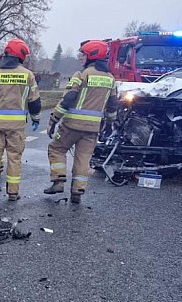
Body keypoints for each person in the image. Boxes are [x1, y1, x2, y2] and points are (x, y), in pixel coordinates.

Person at [44, 40, 119, 204]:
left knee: (56, 148)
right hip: (93, 129)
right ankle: (77, 191)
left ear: (91, 56)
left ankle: (58, 181)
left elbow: (68, 99)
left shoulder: (81, 75)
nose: (80, 58)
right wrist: (109, 123)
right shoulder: (110, 79)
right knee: (83, 158)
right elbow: (113, 105)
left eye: (82, 55)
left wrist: (54, 119)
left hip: (71, 126)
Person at [0, 39, 41, 201]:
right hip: (17, 127)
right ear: (20, 55)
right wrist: (35, 118)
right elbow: (34, 101)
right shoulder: (28, 75)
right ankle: (13, 193)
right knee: (14, 158)